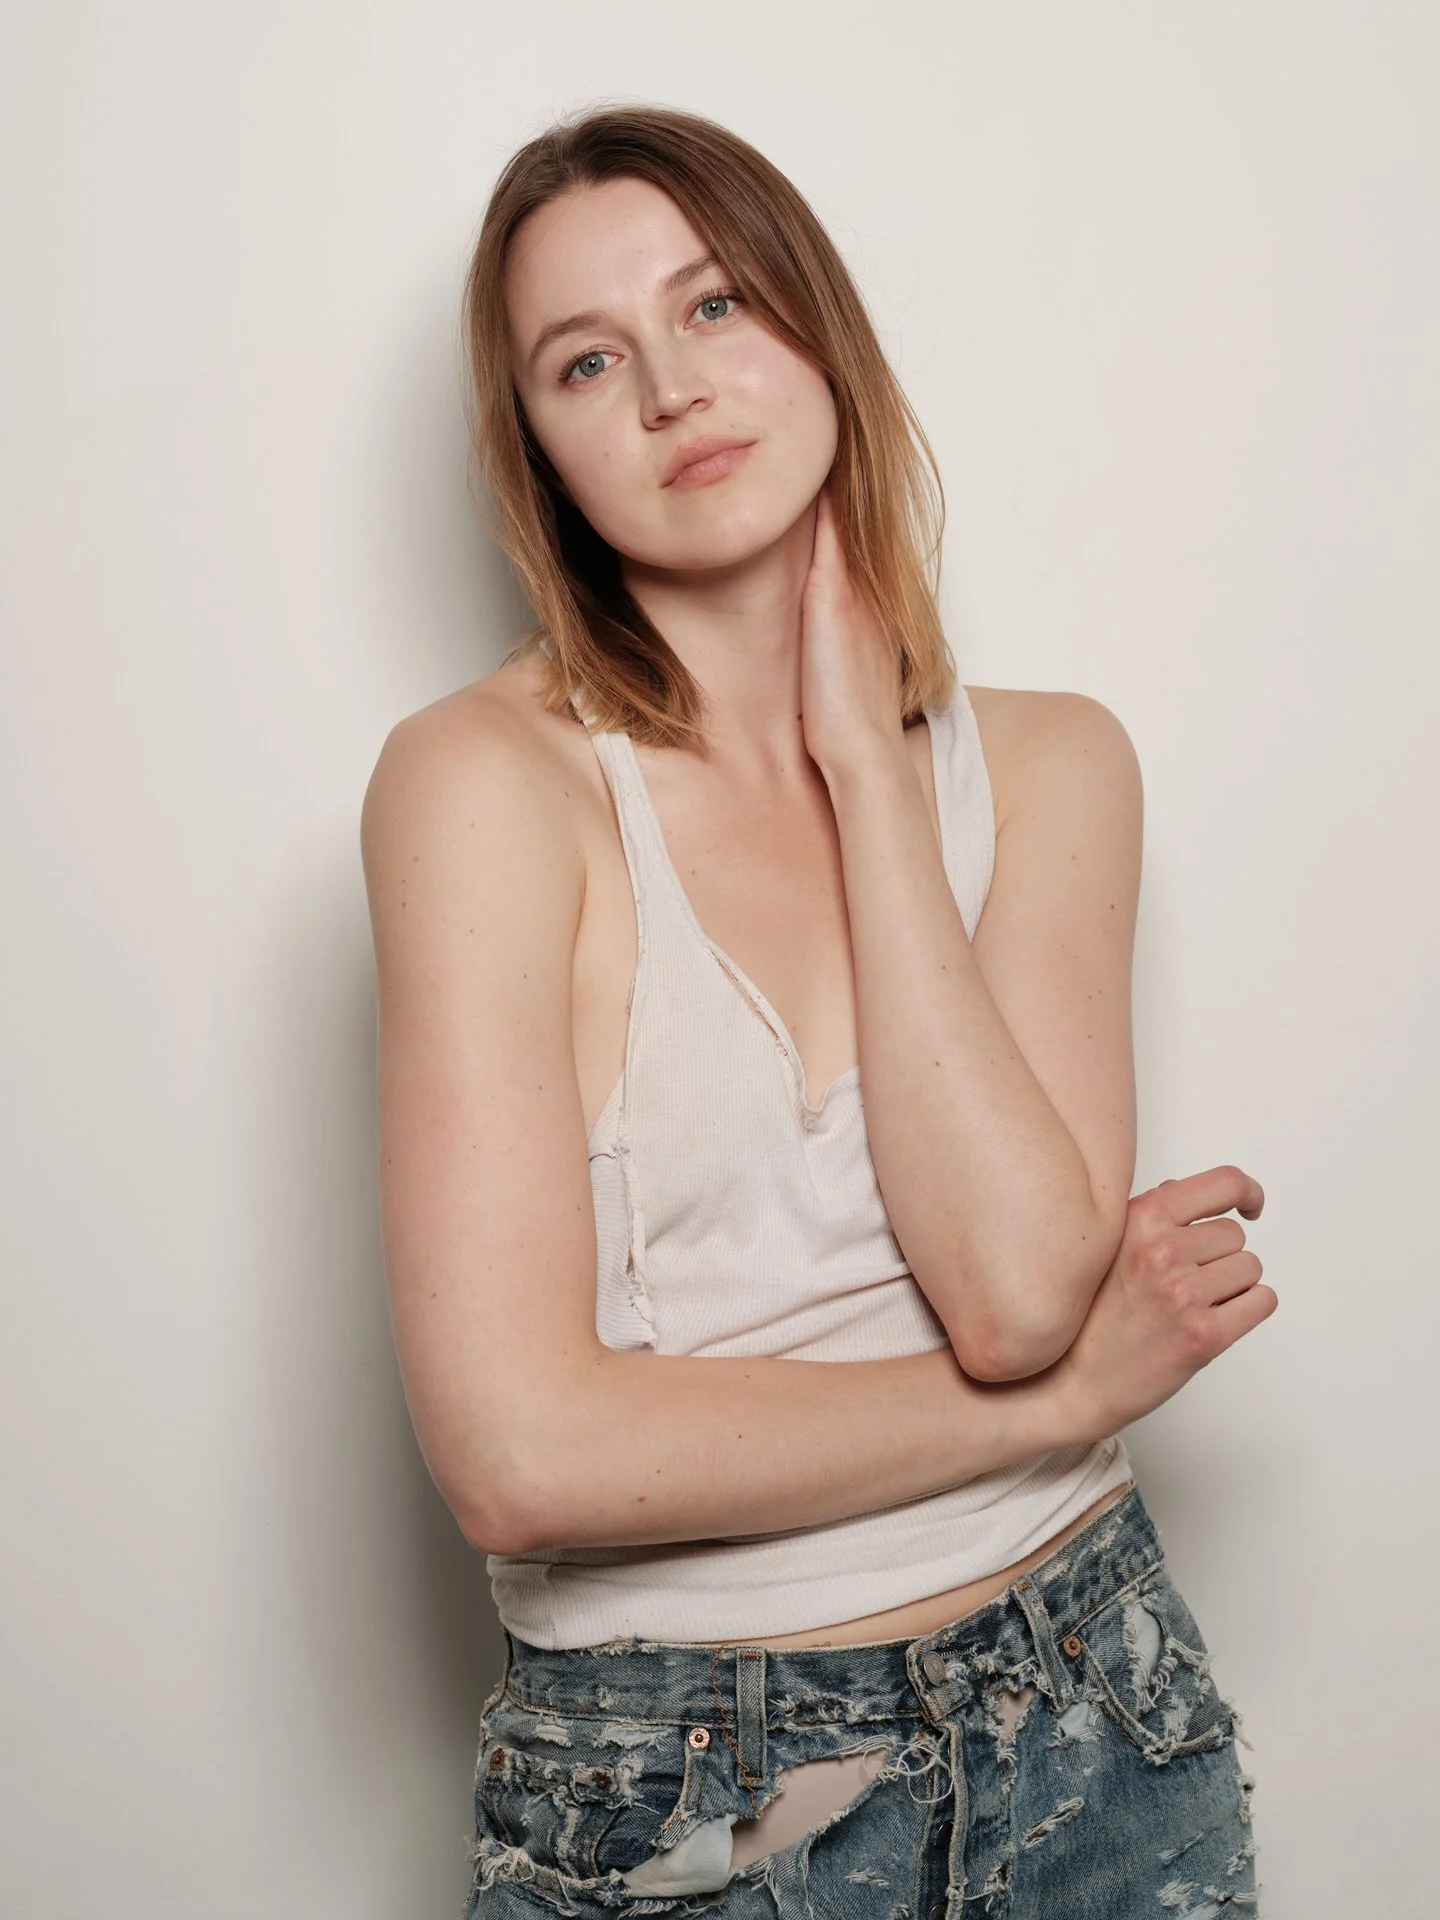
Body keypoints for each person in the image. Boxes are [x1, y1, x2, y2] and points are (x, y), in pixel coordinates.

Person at [360, 104, 1277, 1919]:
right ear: (539, 450)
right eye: (586, 360)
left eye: (714, 309)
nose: (670, 391)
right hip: (692, 1793)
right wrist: (1058, 1404)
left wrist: (866, 766)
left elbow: (1019, 1289)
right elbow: (518, 1456)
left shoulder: (1053, 765)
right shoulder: (481, 788)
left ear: (816, 330)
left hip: (1095, 1711)